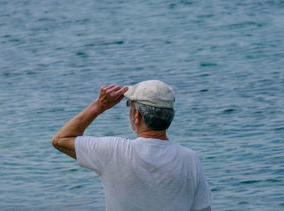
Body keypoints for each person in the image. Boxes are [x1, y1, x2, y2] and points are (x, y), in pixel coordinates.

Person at [52, 80, 212, 211]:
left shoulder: (114, 151)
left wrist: (98, 107)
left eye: (130, 105)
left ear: (137, 116)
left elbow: (61, 139)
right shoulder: (190, 159)